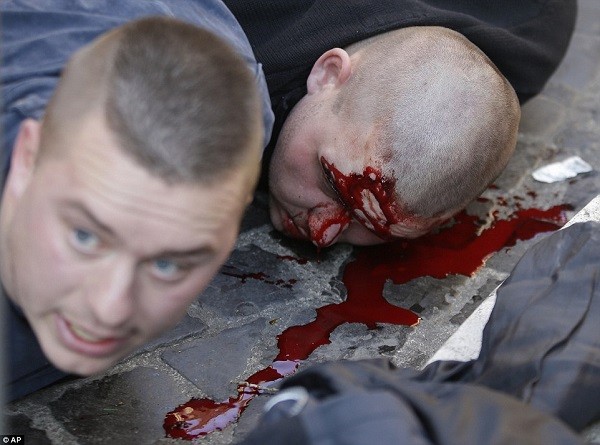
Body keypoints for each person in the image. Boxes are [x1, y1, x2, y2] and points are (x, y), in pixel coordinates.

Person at [0, 0, 274, 402]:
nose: (110, 309)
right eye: (85, 237)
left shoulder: (240, 110)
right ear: (27, 159)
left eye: (168, 264)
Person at [224, 0, 577, 248]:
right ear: (327, 74)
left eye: (375, 230)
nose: (322, 234)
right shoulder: (225, 53)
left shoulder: (535, 25)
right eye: (329, 181)